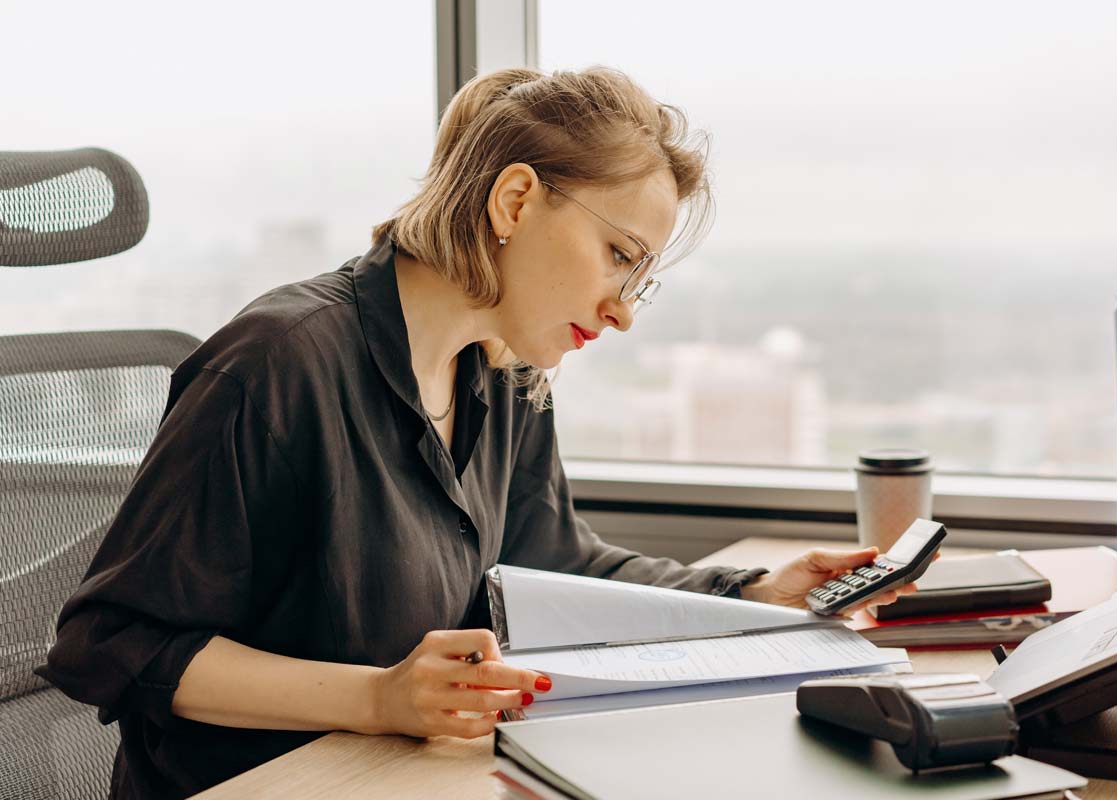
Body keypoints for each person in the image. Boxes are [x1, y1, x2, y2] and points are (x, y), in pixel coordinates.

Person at [37, 66, 914, 799]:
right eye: (619, 258)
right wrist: (380, 699)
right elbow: (111, 647)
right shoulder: (279, 363)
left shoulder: (503, 374)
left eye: (639, 280)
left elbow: (553, 562)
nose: (622, 313)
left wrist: (754, 593)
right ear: (516, 198)